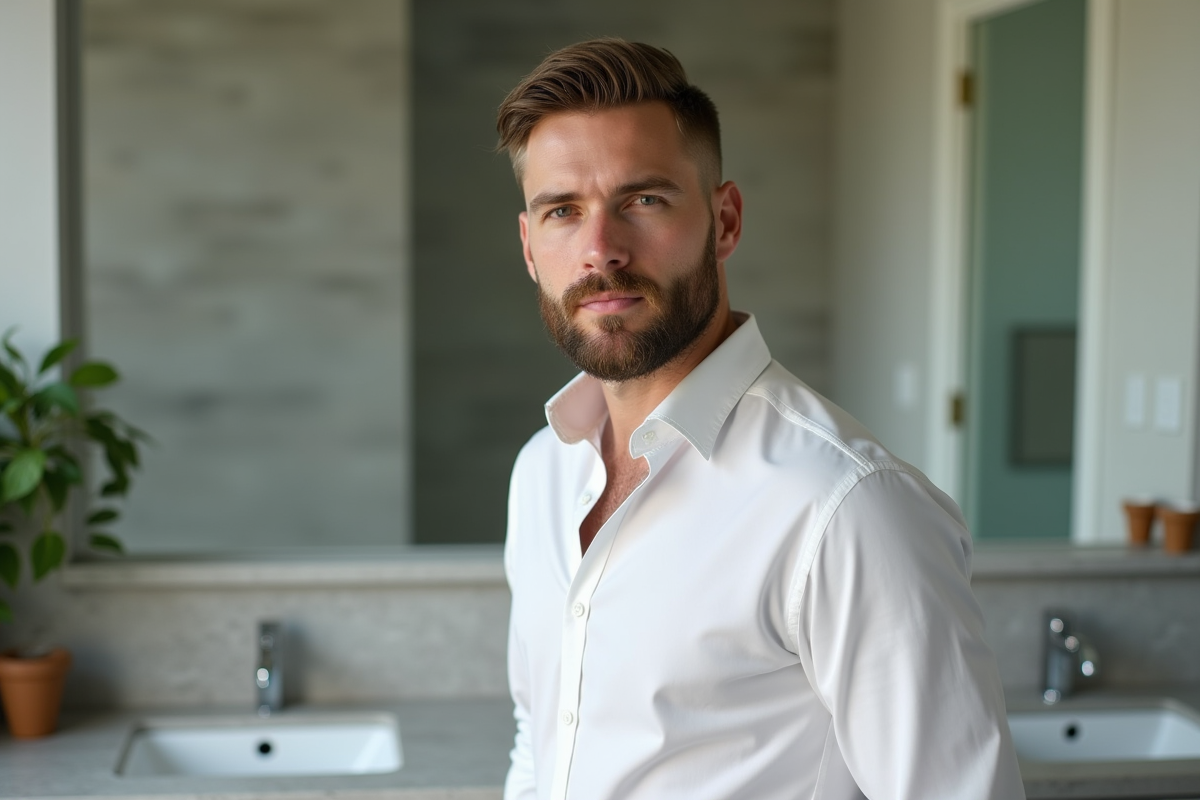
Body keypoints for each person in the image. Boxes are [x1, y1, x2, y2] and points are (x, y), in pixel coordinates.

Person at [495, 38, 1025, 800]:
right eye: (562, 212)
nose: (600, 250)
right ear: (529, 248)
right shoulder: (542, 471)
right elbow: (539, 739)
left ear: (726, 219)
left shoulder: (845, 506)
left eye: (643, 200)